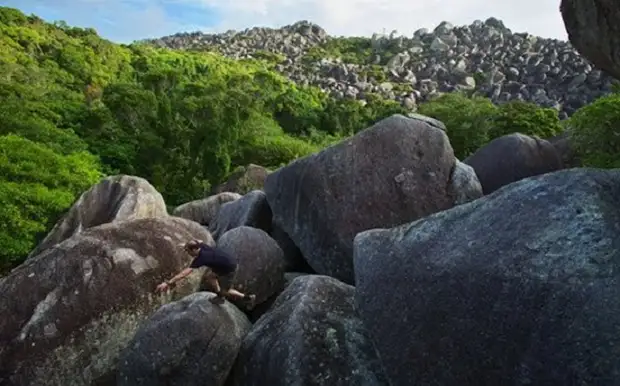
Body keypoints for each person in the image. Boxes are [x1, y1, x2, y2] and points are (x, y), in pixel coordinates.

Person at [155, 239, 256, 306]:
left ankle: (247, 298)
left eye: (188, 251)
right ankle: (219, 294)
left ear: (194, 250)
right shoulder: (201, 246)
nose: (187, 253)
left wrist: (168, 283)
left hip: (229, 269)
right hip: (224, 264)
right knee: (210, 277)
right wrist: (185, 244)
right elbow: (198, 240)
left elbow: (184, 274)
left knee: (226, 291)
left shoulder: (201, 258)